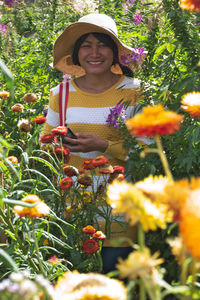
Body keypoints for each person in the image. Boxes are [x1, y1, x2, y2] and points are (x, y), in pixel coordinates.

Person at [42, 13, 146, 273]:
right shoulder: (61, 93)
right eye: (86, 45)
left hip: (119, 211)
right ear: (76, 54)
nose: (94, 52)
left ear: (114, 51)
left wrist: (105, 146)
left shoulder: (136, 92)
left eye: (102, 44)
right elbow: (43, 148)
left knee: (114, 283)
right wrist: (58, 147)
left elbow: (150, 153)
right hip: (72, 208)